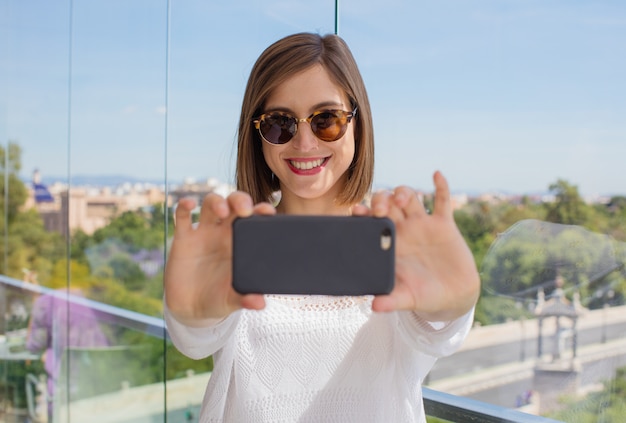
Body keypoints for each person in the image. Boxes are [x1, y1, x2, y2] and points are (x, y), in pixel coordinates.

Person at [164, 32, 480, 422]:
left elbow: (435, 331)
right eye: (280, 124)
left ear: (357, 123)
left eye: (326, 120)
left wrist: (453, 307)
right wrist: (190, 317)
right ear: (257, 135)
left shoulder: (399, 246)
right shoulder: (234, 244)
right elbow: (198, 335)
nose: (304, 142)